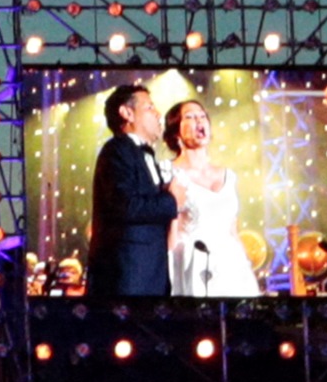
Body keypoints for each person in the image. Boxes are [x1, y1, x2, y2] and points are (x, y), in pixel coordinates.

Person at [158, 97, 257, 300]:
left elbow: (232, 230)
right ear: (176, 130)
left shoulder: (228, 176)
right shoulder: (167, 172)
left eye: (202, 116)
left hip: (231, 265)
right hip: (191, 262)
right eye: (190, 117)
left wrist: (245, 266)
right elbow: (166, 228)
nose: (199, 121)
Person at [87, 88, 177, 306]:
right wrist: (172, 200)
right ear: (127, 113)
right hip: (129, 276)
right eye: (149, 107)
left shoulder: (143, 154)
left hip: (149, 275)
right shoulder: (117, 150)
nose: (157, 114)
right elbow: (126, 206)